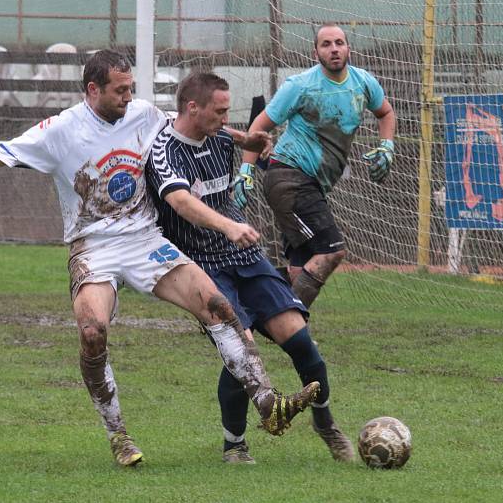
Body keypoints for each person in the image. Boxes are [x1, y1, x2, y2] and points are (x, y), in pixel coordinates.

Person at [0, 50, 319, 467]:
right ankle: (119, 434)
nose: (129, 98)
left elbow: (190, 124)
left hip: (145, 239)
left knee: (219, 308)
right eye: (120, 91)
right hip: (93, 246)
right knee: (92, 332)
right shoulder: (59, 131)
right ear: (93, 90)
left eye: (131, 89)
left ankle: (268, 404)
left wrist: (245, 138)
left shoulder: (143, 113)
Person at [146, 72, 354, 464]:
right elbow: (181, 202)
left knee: (300, 340)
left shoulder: (222, 138)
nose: (226, 118)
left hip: (244, 257)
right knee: (242, 350)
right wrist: (230, 225)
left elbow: (237, 139)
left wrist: (253, 142)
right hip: (202, 266)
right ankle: (235, 445)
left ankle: (324, 421)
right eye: (220, 111)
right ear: (193, 107)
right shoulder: (163, 152)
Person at [235, 23, 397, 309]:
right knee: (332, 251)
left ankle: (250, 301)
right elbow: (259, 125)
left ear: (348, 48)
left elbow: (385, 112)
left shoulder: (363, 82)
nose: (334, 49)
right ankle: (286, 321)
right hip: (288, 178)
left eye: (339, 43)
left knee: (301, 264)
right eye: (326, 44)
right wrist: (246, 171)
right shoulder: (301, 86)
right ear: (316, 52)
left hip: (310, 185)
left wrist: (387, 146)